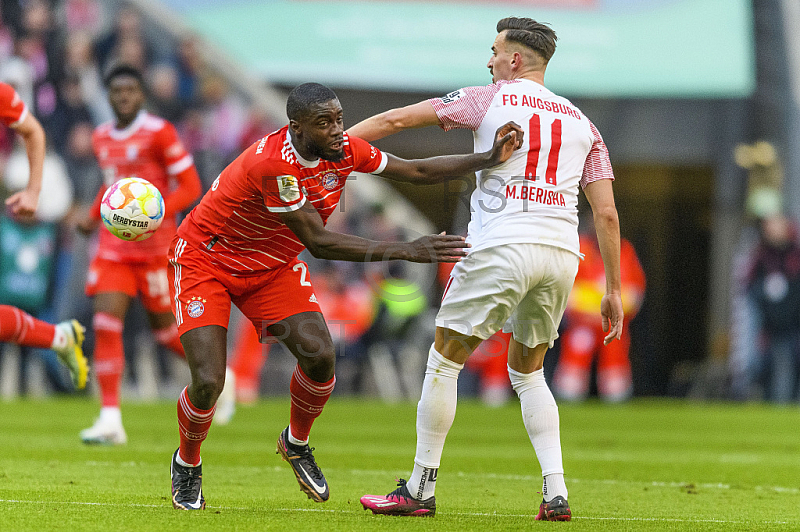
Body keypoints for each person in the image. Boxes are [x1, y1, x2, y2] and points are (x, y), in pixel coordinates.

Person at [167, 82, 522, 510]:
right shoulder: (273, 165)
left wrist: (484, 159)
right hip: (206, 262)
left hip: (271, 266)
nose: (338, 130)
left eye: (338, 119)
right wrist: (407, 249)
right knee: (209, 381)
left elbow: (416, 171)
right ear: (296, 129)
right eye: (325, 123)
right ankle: (187, 464)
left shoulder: (346, 149)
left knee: (320, 357)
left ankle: (295, 443)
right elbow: (318, 242)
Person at [352, 17, 623, 521]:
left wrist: (331, 148)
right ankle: (556, 493)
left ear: (514, 60)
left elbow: (393, 123)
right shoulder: (585, 124)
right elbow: (605, 213)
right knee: (530, 372)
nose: (490, 59)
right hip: (562, 254)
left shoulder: (488, 97)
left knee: (444, 361)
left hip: (503, 243)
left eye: (495, 50)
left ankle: (419, 488)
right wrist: (613, 289)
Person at [77, 64, 203, 444]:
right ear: (109, 96)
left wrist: (155, 212)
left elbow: (191, 185)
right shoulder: (101, 137)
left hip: (155, 251)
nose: (124, 97)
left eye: (131, 90)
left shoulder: (159, 133)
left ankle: (217, 377)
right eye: (117, 91)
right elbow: (111, 189)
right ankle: (110, 417)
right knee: (105, 324)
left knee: (166, 333)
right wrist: (89, 217)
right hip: (114, 250)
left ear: (142, 95)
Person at [0, 80, 87, 390]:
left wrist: (33, 191)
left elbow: (33, 131)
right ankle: (58, 337)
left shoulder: (3, 93)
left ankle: (58, 338)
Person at [554, 215, 645, 402]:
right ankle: (566, 401)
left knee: (615, 362)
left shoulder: (624, 251)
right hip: (581, 323)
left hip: (613, 324)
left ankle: (616, 402)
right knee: (575, 358)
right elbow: (564, 288)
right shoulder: (577, 248)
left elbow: (635, 292)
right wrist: (587, 310)